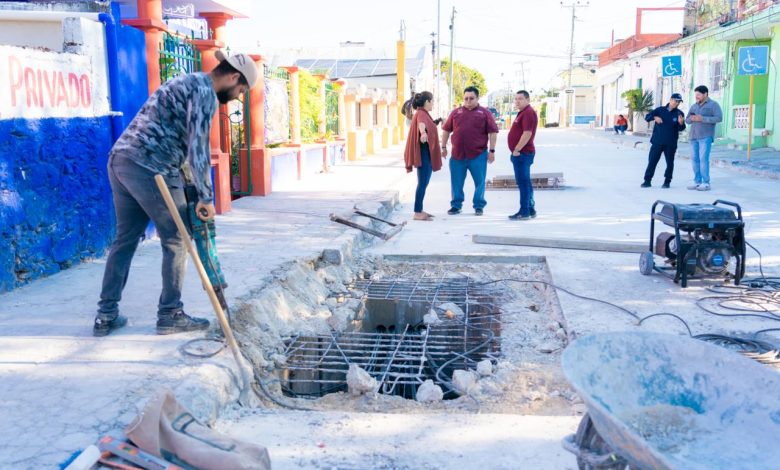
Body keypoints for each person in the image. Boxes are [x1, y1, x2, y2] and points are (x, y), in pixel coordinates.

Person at [93, 50, 258, 337]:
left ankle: (106, 315)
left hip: (121, 160)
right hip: (152, 167)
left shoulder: (186, 80)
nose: (237, 96)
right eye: (241, 90)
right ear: (234, 77)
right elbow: (198, 149)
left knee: (125, 239)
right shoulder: (205, 93)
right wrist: (206, 197)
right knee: (177, 239)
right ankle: (170, 313)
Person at [441, 86, 499, 216]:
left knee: (480, 182)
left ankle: (479, 206)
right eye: (466, 98)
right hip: (457, 156)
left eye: (471, 98)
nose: (468, 101)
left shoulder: (485, 113)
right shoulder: (456, 113)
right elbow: (446, 130)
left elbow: (493, 132)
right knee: (456, 183)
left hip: (478, 155)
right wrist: (443, 147)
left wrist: (492, 151)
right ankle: (456, 205)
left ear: (477, 98)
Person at [404, 91, 443, 221]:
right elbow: (422, 124)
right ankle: (417, 212)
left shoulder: (425, 114)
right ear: (427, 101)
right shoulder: (421, 113)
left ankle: (420, 209)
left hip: (426, 154)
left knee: (424, 183)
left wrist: (437, 121)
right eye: (432, 101)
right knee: (422, 183)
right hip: (423, 155)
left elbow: (428, 124)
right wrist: (423, 133)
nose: (433, 104)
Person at [641, 93, 686, 189]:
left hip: (670, 143)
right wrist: (654, 117)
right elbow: (647, 117)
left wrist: (681, 123)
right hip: (657, 141)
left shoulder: (679, 113)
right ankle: (647, 181)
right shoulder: (660, 110)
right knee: (652, 161)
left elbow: (681, 128)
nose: (677, 103)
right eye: (676, 101)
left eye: (679, 102)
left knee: (670, 163)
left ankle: (667, 181)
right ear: (670, 99)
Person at [507, 90, 539, 221]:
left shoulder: (528, 113)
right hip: (522, 153)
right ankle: (530, 209)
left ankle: (524, 211)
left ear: (528, 100)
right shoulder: (523, 113)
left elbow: (527, 133)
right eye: (516, 99)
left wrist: (517, 149)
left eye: (520, 98)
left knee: (523, 183)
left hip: (523, 153)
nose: (517, 101)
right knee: (526, 182)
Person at [685, 85, 723, 191]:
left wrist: (702, 119)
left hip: (705, 137)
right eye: (695, 94)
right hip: (693, 137)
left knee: (703, 159)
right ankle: (697, 182)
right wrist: (692, 118)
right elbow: (687, 120)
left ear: (705, 94)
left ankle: (706, 183)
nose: (696, 96)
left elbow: (719, 118)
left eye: (698, 94)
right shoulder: (694, 106)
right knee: (694, 160)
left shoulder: (713, 105)